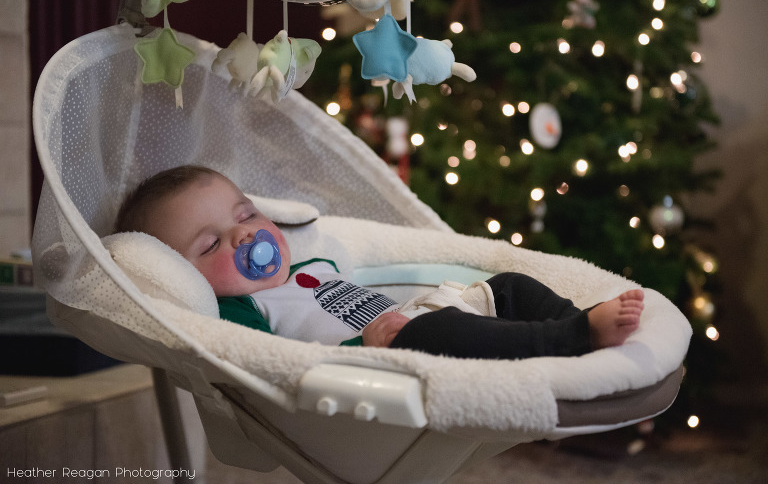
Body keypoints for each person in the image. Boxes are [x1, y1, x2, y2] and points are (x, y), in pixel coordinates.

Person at [114, 165, 644, 359]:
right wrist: (359, 347)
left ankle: (572, 318)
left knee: (505, 284)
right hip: (389, 356)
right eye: (210, 246)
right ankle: (569, 341)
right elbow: (274, 363)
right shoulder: (240, 313)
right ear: (184, 273)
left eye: (246, 214)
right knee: (436, 333)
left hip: (421, 314)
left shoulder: (314, 266)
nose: (244, 237)